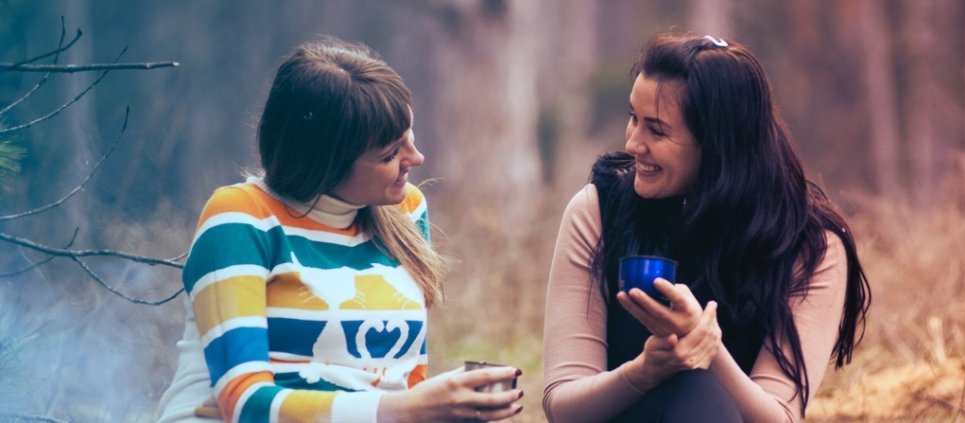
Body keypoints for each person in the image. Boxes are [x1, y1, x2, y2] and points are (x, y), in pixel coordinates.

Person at [155, 37, 523, 423]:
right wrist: (401, 410)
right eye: (389, 154)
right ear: (325, 163)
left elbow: (407, 376)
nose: (416, 158)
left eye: (409, 137)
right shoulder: (241, 217)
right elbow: (245, 404)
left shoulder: (404, 210)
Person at [542, 34, 872, 423]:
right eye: (633, 117)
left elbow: (780, 416)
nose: (633, 143)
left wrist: (708, 351)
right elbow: (562, 405)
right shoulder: (598, 211)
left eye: (657, 130)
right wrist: (644, 371)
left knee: (698, 390)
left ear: (719, 145)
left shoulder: (809, 245)